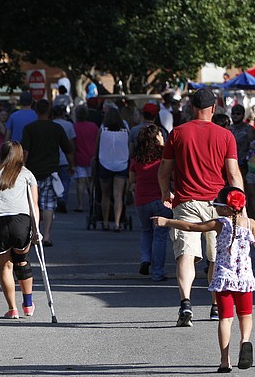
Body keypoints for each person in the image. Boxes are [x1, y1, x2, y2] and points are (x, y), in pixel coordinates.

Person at [154, 186, 255, 372]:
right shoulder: (251, 224)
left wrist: (167, 221)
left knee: (225, 319)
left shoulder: (219, 223)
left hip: (223, 279)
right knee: (245, 316)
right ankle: (245, 341)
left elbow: (192, 227)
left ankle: (225, 360)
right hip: (245, 279)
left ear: (224, 208)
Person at [159, 88, 243, 327]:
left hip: (185, 201)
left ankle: (185, 302)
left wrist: (166, 192)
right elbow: (233, 174)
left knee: (185, 255)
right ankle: (216, 305)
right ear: (214, 108)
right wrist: (240, 204)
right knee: (216, 256)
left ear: (191, 108)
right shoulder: (225, 136)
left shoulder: (177, 133)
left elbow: (164, 171)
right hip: (218, 205)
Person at [0, 141, 40, 318]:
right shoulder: (27, 174)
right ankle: (28, 304)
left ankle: (12, 309)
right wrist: (36, 230)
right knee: (22, 260)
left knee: (5, 265)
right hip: (20, 222)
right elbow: (33, 204)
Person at [22, 99, 74, 247]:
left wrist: (22, 168)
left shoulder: (29, 128)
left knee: (32, 204)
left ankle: (34, 233)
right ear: (49, 111)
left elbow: (25, 151)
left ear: (36, 111)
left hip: (32, 173)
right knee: (49, 205)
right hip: (51, 172)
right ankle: (47, 236)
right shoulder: (56, 128)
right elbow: (68, 149)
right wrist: (71, 165)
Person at [129, 125, 171, 282]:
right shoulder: (164, 156)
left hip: (141, 200)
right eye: (160, 135)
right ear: (156, 138)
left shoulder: (137, 157)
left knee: (146, 231)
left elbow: (132, 179)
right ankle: (157, 272)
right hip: (161, 199)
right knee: (160, 237)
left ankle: (145, 259)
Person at [94, 107, 130, 231]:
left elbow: (97, 148)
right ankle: (117, 223)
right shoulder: (125, 131)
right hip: (121, 164)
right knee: (118, 195)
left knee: (105, 195)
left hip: (105, 163)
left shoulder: (102, 130)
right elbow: (129, 148)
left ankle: (105, 222)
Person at [73, 106, 98, 213]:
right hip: (92, 157)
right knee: (92, 182)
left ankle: (80, 205)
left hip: (79, 156)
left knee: (80, 182)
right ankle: (92, 201)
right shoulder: (93, 126)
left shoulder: (74, 126)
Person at [52, 105, 75, 213]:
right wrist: (72, 160)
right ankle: (62, 198)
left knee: (54, 180)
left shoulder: (50, 124)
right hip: (65, 158)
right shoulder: (69, 125)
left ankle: (56, 199)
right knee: (65, 180)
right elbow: (71, 143)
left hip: (52, 158)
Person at [230, 104, 255, 176]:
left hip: (244, 162)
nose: (235, 116)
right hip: (231, 160)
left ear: (243, 115)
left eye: (238, 114)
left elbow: (252, 146)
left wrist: (246, 158)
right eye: (233, 113)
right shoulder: (228, 128)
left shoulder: (248, 129)